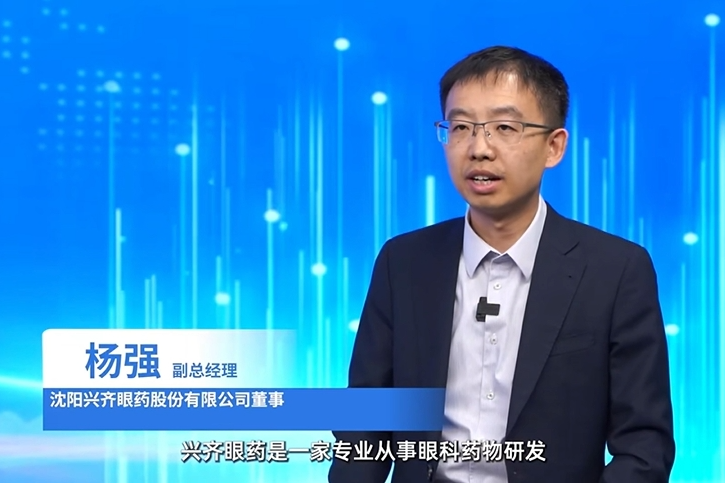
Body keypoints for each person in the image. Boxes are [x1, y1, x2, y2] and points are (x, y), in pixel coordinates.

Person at [328, 45, 675, 483]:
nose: (479, 149)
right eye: (460, 127)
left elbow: (644, 447)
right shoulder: (404, 262)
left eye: (504, 127)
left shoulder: (616, 270)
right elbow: (365, 424)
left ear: (554, 146)